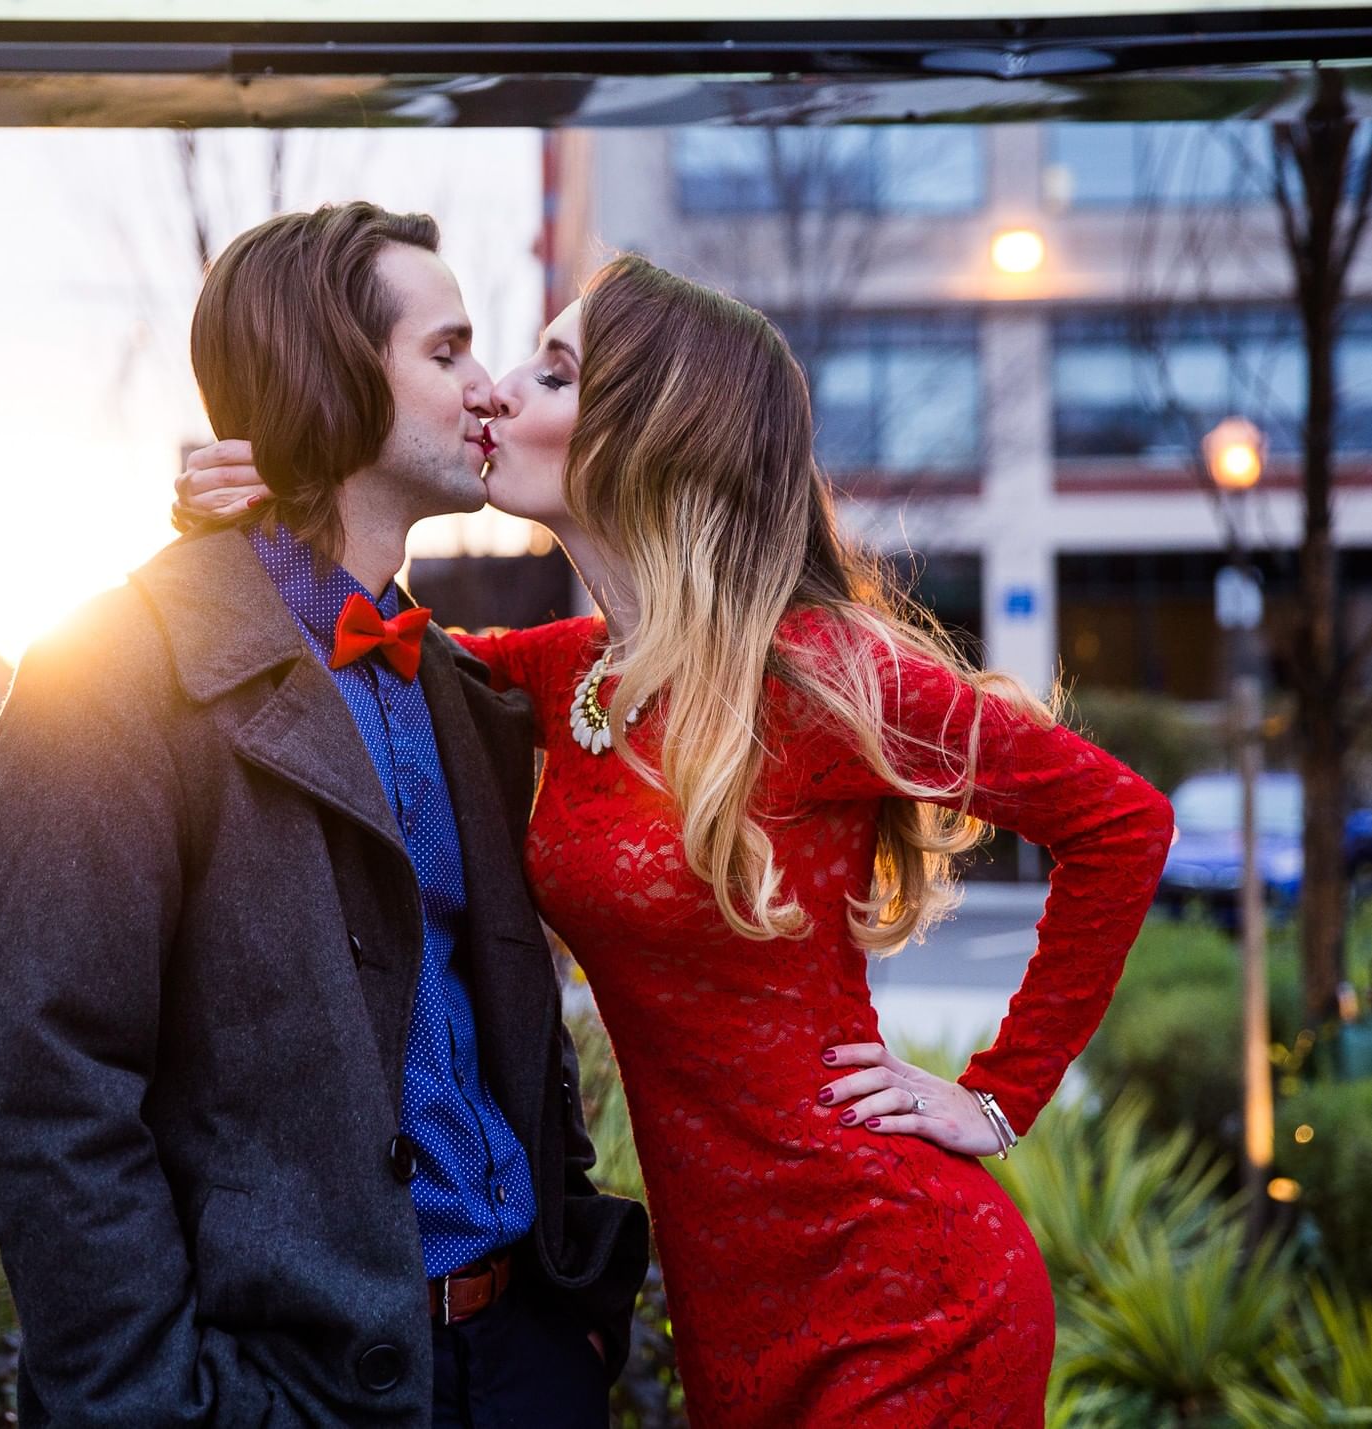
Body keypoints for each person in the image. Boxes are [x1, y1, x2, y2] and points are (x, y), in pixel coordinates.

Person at [177, 253, 1175, 1427]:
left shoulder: (817, 672)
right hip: (731, 1303)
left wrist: (999, 1097)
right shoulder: (561, 672)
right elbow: (356, 647)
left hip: (906, 1294)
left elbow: (1120, 819)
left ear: (646, 433)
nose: (496, 390)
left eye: (552, 372)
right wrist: (253, 527)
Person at [0, 203, 648, 1429]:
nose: (488, 391)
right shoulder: (110, 674)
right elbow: (39, 1086)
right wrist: (156, 1405)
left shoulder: (466, 688)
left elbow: (517, 1049)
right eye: (447, 353)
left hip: (526, 1363)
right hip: (286, 1393)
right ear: (330, 376)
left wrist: (574, 1318)